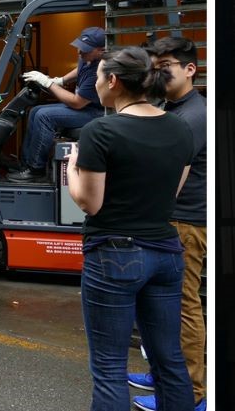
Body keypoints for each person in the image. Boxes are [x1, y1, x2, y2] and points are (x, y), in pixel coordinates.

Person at [64, 46, 194, 411]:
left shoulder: (100, 131)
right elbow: (172, 193)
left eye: (100, 76)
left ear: (113, 81)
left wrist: (72, 168)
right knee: (169, 360)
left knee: (109, 367)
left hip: (114, 254)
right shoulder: (181, 129)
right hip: (167, 254)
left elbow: (91, 203)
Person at [128, 35, 207, 411]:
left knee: (182, 308)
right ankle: (164, 375)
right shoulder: (174, 108)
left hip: (184, 224)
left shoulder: (192, 117)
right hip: (173, 221)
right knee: (162, 307)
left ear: (190, 69)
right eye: (153, 70)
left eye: (166, 70)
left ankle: (189, 392)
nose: (158, 77)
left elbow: (170, 179)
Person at [9, 26, 107, 182]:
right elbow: (79, 69)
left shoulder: (99, 71)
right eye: (79, 47)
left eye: (85, 50)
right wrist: (60, 80)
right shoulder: (87, 56)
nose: (79, 52)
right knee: (34, 111)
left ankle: (36, 169)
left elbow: (77, 103)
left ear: (101, 51)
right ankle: (26, 164)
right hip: (85, 107)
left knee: (44, 116)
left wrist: (48, 84)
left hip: (94, 112)